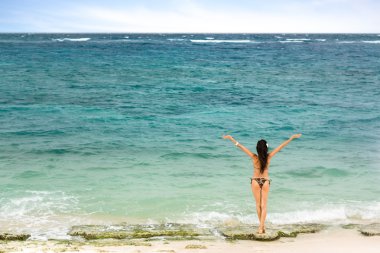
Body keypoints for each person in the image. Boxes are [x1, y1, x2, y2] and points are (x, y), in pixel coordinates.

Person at [223, 133, 302, 234]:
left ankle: (261, 227)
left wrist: (231, 138)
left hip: (255, 181)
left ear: (257, 148)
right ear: (266, 148)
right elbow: (281, 146)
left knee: (258, 204)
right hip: (265, 182)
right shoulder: (269, 157)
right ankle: (261, 227)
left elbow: (240, 146)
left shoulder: (254, 157)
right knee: (264, 205)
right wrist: (291, 138)